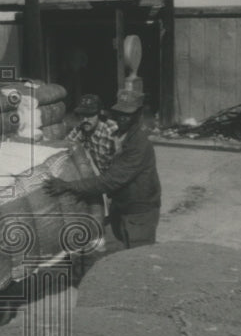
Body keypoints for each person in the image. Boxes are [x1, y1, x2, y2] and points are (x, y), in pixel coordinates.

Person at [46, 89, 161, 249]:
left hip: (138, 210)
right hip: (120, 202)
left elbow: (111, 180)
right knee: (121, 252)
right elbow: (66, 145)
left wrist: (68, 186)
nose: (122, 117)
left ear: (138, 114)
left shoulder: (136, 143)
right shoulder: (119, 133)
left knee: (139, 257)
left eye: (128, 114)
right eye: (119, 112)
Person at [66, 93, 119, 174]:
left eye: (89, 115)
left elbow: (127, 162)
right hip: (97, 176)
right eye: (82, 115)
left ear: (99, 114)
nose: (85, 120)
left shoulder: (112, 130)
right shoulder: (81, 128)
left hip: (114, 176)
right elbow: (66, 144)